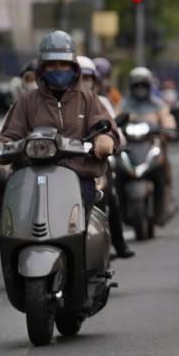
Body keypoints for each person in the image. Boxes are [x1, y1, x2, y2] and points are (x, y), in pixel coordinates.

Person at [0, 32, 117, 229]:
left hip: (77, 177)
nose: (58, 69)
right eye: (52, 64)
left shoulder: (89, 99)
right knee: (10, 214)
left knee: (87, 214)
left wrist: (104, 138)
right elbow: (11, 134)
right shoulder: (27, 102)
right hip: (30, 177)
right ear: (42, 67)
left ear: (73, 67)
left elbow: (103, 126)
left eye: (63, 64)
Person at [78, 56, 134, 259]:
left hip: (93, 161)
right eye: (80, 77)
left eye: (88, 78)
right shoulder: (49, 103)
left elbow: (113, 130)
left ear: (95, 80)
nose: (83, 82)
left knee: (107, 194)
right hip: (62, 164)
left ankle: (116, 243)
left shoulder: (99, 102)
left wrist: (107, 141)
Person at [119, 67, 177, 224]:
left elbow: (167, 120)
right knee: (118, 174)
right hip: (129, 147)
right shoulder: (124, 105)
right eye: (136, 85)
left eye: (143, 85)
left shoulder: (158, 105)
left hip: (152, 145)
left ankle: (163, 207)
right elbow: (114, 120)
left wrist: (168, 129)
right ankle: (119, 212)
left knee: (162, 170)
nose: (140, 88)